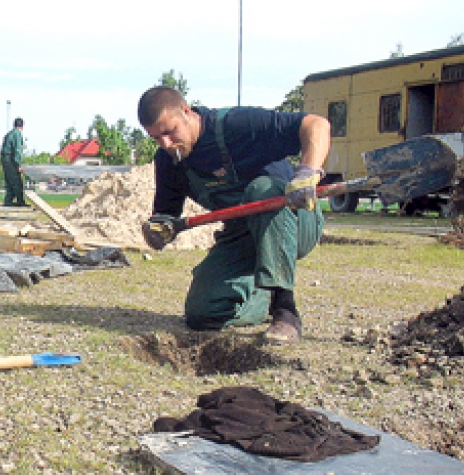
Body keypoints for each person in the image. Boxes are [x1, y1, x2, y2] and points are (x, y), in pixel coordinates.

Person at [137, 87, 331, 343]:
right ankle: (262, 295)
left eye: (169, 132)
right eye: (156, 138)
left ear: (186, 112)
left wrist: (308, 172)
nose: (166, 144)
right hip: (243, 232)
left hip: (294, 218)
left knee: (263, 189)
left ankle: (285, 309)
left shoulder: (237, 126)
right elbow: (165, 214)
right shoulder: (168, 161)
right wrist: (158, 229)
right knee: (202, 314)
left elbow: (316, 124)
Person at [0, 117, 26, 207]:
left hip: (5, 159)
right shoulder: (17, 134)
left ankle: (8, 201)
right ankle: (20, 202)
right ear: (22, 126)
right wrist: (18, 165)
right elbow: (17, 150)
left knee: (9, 182)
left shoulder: (9, 134)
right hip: (11, 160)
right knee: (17, 182)